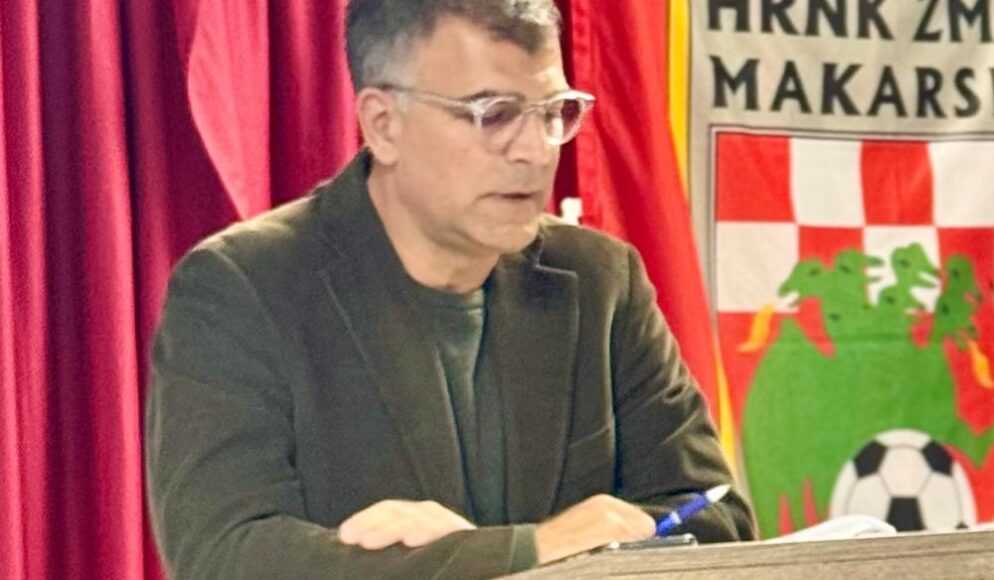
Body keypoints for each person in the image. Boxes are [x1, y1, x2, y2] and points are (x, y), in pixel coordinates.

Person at [144, 0, 755, 578]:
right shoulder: (243, 287)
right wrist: (529, 549)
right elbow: (225, 555)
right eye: (494, 113)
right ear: (383, 124)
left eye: (553, 112)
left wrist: (489, 552)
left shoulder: (600, 280)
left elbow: (716, 518)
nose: (534, 150)